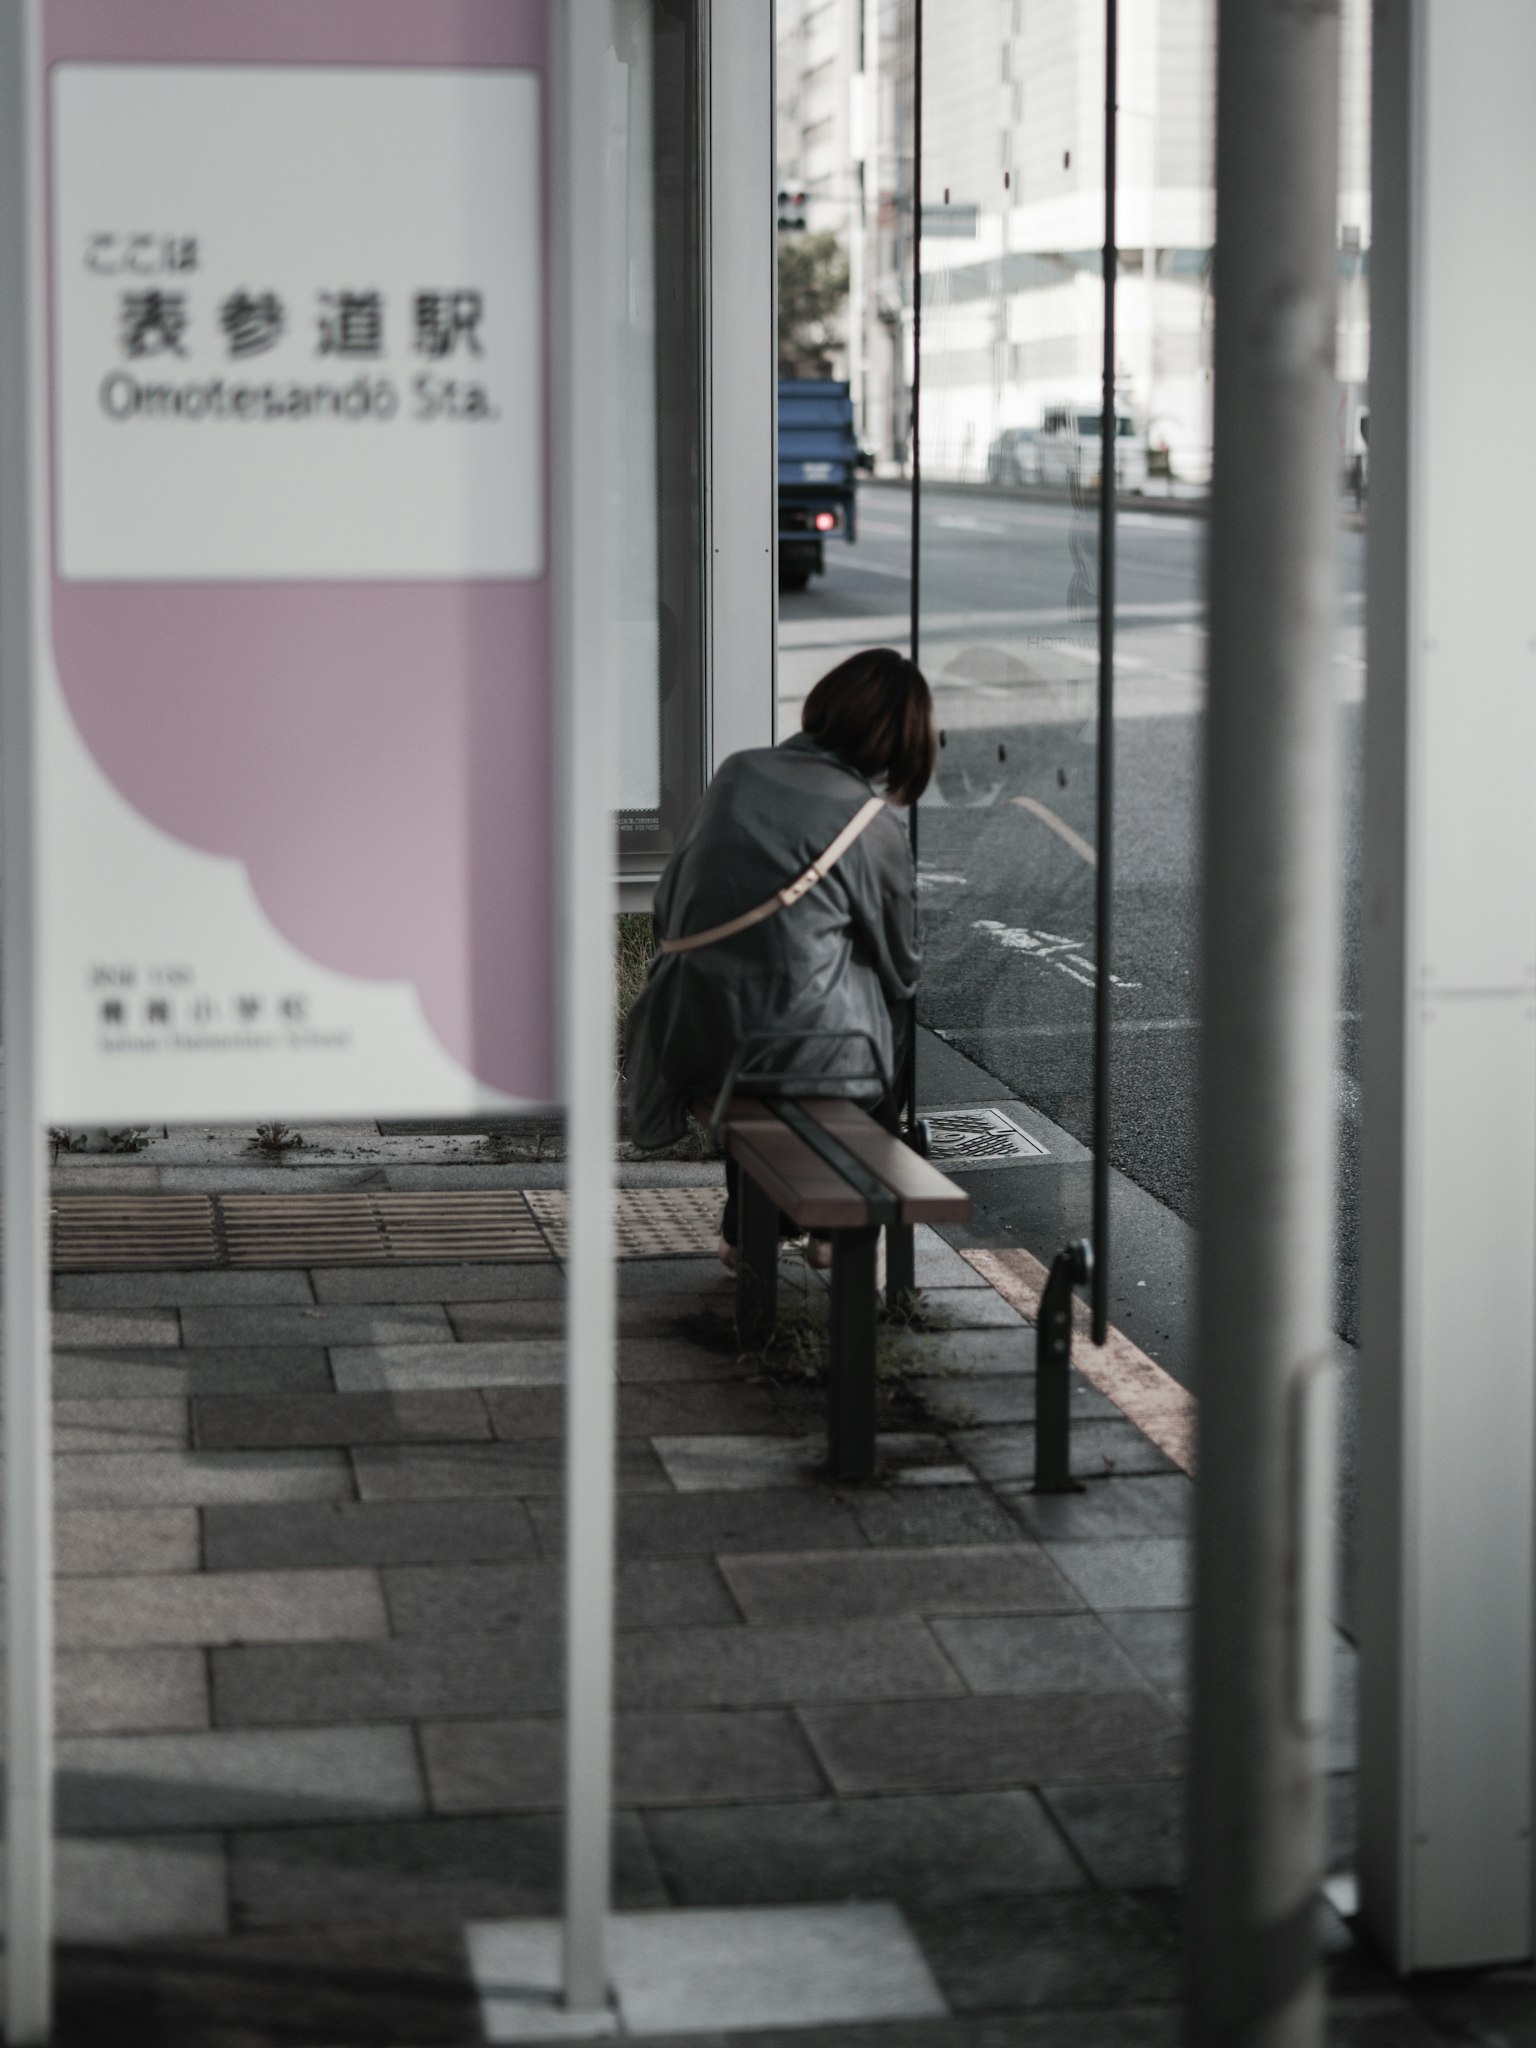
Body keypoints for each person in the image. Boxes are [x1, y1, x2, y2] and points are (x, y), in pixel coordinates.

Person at [625, 646, 934, 1266]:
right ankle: (843, 1229)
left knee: (756, 1023)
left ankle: (746, 1229)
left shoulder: (739, 772)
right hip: (810, 1057)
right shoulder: (872, 824)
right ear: (900, 743)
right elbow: (903, 963)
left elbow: (669, 901)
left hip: (693, 1033)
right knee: (881, 1007)